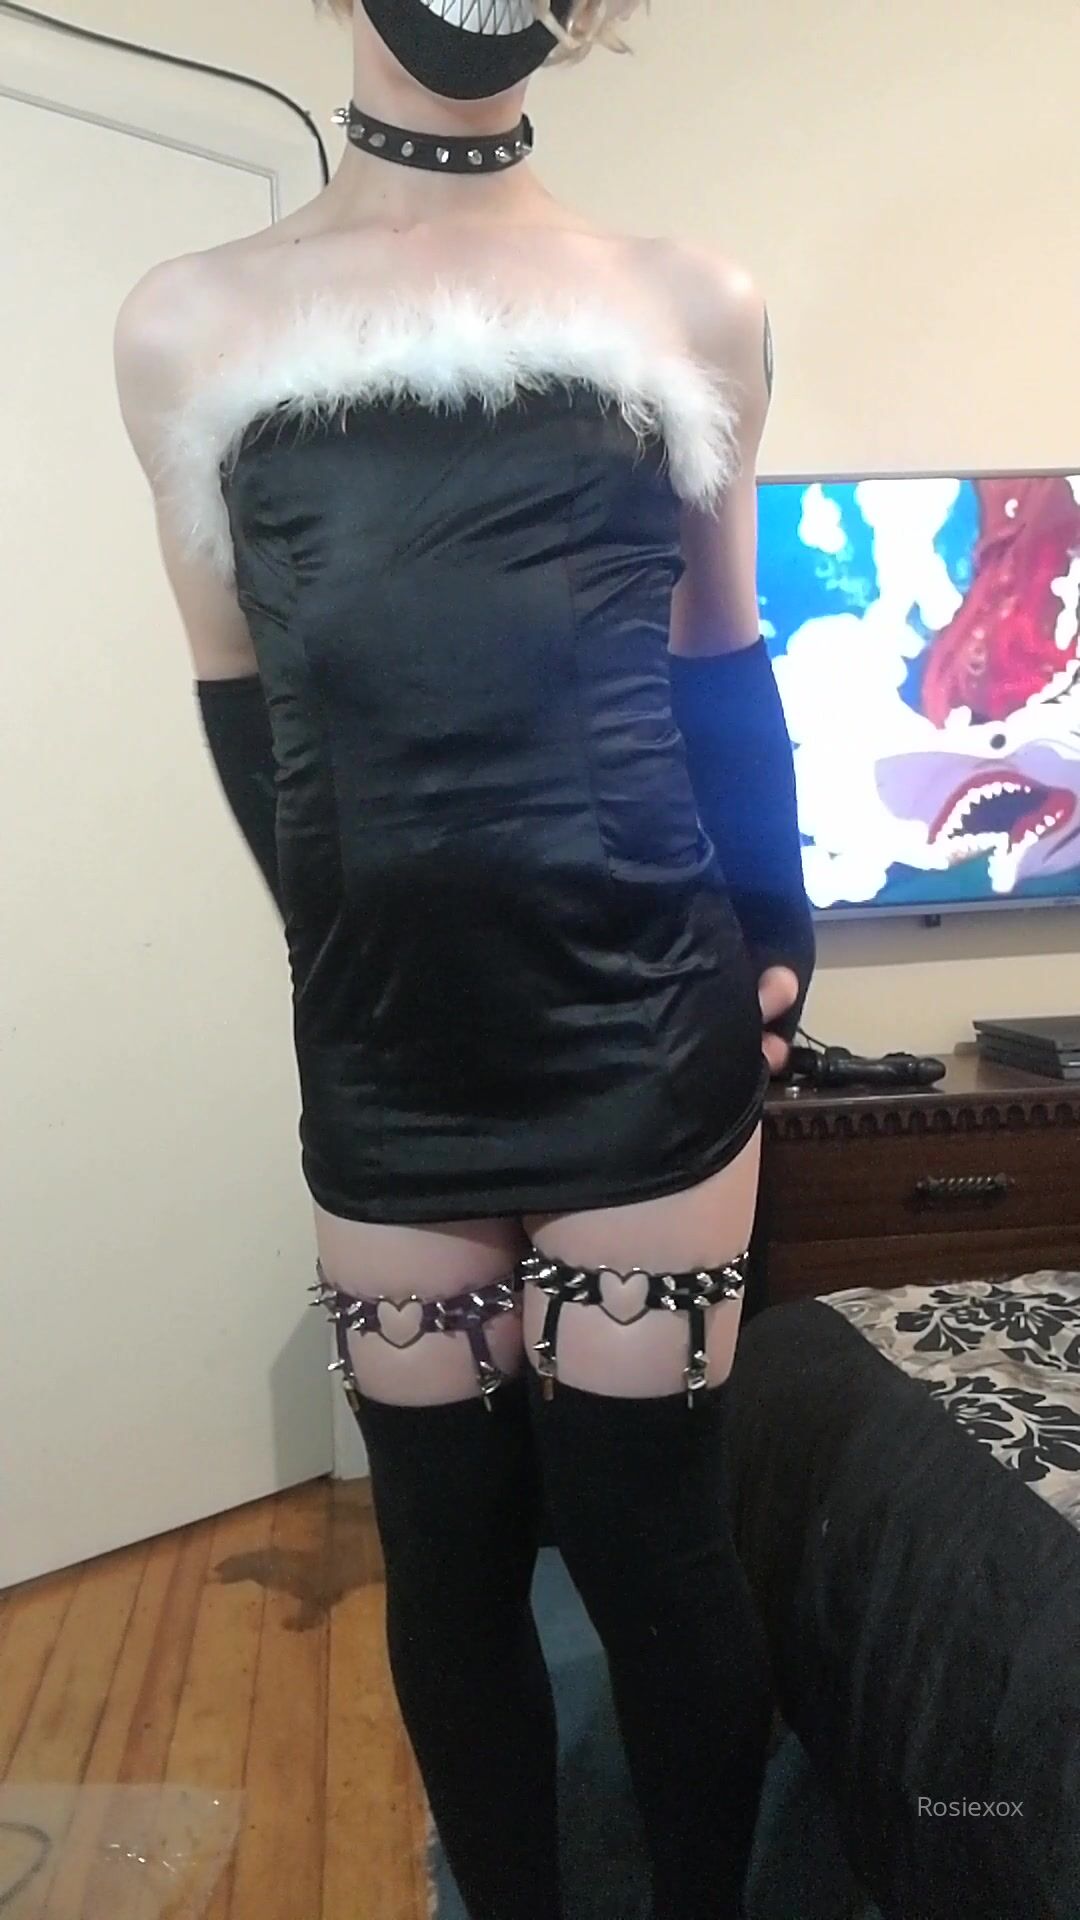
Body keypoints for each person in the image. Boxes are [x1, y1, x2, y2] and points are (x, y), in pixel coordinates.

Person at [113, 3, 815, 1915]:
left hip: (643, 1017)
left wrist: (778, 936)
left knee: (653, 1551)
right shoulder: (189, 325)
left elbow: (721, 658)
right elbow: (245, 708)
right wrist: (342, 957)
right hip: (392, 1050)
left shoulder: (690, 300)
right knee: (444, 1557)